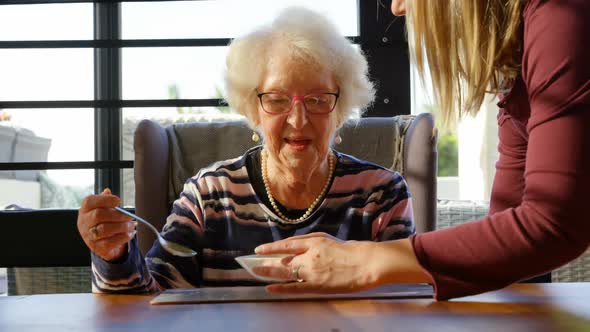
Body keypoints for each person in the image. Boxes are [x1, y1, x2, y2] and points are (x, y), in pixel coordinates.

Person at [254, 0, 590, 300]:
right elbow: (515, 248)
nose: (397, 7)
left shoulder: (562, 16)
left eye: (317, 100)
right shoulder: (518, 74)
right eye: (277, 100)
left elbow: (553, 222)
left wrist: (368, 260)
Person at [76, 7, 415, 292]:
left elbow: (408, 300)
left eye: (316, 100)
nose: (298, 120)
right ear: (253, 109)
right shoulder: (209, 195)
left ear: (340, 109)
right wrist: (115, 255)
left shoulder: (381, 194)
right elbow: (152, 297)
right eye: (277, 100)